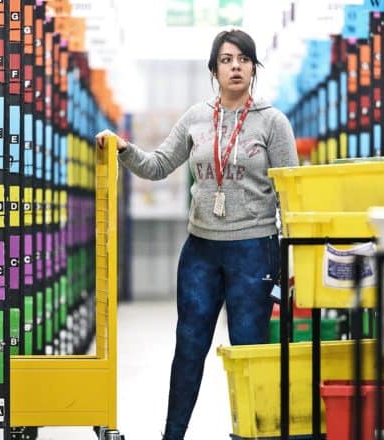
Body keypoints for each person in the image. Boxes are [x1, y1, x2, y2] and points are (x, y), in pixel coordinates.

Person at [95, 29, 298, 440]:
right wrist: (123, 149)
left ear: (254, 68)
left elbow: (290, 193)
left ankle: (253, 434)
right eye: (226, 60)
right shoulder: (195, 118)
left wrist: (288, 259)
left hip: (253, 251)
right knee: (188, 348)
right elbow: (157, 165)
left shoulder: (273, 121)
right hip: (201, 252)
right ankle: (172, 435)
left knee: (248, 351)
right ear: (214, 70)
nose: (236, 66)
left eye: (243, 59)